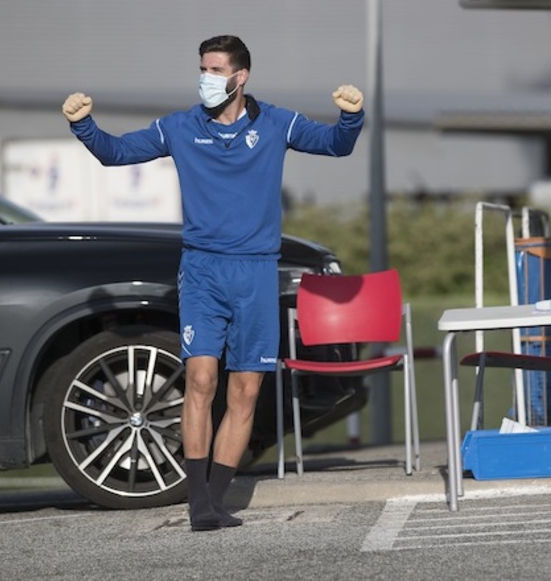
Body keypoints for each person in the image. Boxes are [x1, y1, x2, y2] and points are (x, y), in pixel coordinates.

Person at [61, 35, 364, 531]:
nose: (205, 78)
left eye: (215, 69)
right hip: (202, 269)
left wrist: (351, 117)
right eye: (202, 68)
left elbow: (335, 145)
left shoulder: (277, 122)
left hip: (256, 271)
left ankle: (214, 501)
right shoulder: (180, 127)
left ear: (240, 77)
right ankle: (197, 500)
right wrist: (83, 126)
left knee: (245, 391)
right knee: (201, 380)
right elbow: (116, 153)